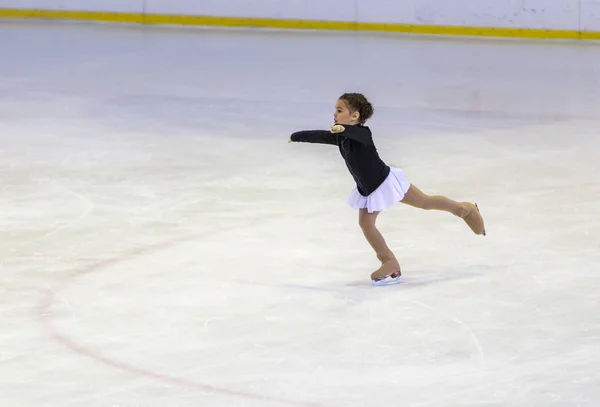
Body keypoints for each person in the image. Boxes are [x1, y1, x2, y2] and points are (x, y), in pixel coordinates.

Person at [288, 93, 486, 282]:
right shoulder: (340, 136)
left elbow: (356, 134)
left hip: (385, 183)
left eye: (339, 110)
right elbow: (321, 136)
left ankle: (465, 209)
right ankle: (389, 262)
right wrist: (297, 136)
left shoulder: (362, 133)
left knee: (425, 202)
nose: (334, 114)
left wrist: (344, 129)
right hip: (368, 190)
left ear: (355, 115)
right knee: (366, 224)